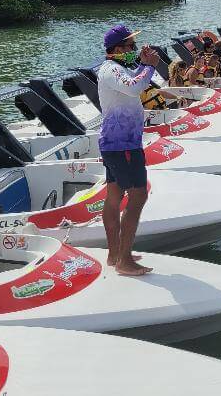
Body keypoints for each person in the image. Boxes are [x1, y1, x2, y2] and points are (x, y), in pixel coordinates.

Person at [97, 24, 160, 276]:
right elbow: (135, 87)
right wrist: (150, 65)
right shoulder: (111, 69)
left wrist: (143, 64)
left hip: (119, 144)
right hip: (122, 146)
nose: (134, 49)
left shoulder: (118, 69)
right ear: (117, 49)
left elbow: (133, 82)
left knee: (113, 197)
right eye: (131, 46)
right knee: (138, 197)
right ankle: (124, 261)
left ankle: (115, 254)